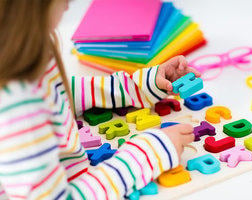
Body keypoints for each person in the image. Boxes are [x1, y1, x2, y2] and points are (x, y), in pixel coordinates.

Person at [0, 0, 200, 199]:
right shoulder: (17, 107)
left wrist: (138, 86)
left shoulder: (26, 43)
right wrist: (150, 154)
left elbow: (58, 95)